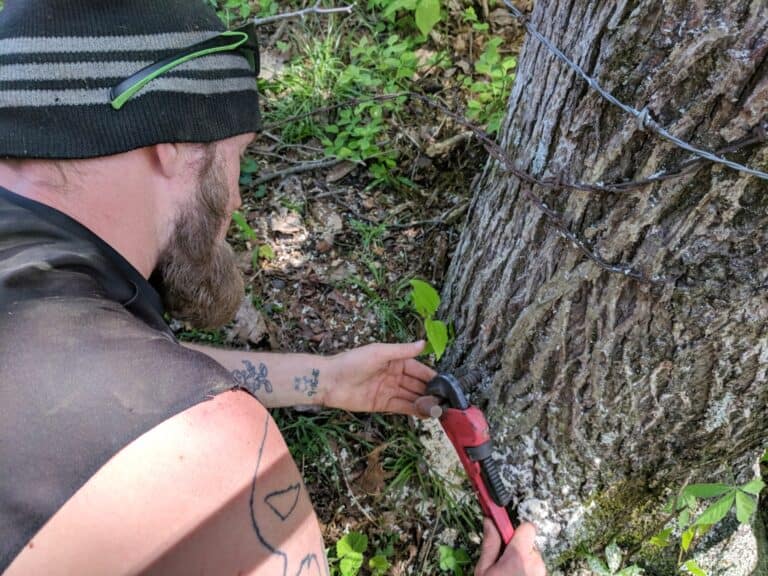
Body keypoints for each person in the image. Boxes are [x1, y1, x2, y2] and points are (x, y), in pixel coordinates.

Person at [0, 1, 546, 574]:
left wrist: (325, 380)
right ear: (172, 140)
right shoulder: (205, 461)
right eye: (237, 156)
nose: (236, 198)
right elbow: (150, 404)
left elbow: (117, 382)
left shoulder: (49, 320)